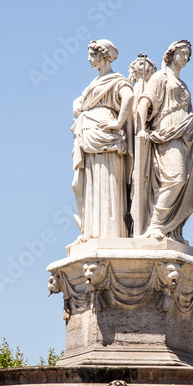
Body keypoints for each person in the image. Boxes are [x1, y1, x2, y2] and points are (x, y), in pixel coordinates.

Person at [133, 40, 193, 243]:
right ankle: (155, 225)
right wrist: (140, 129)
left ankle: (172, 231)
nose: (186, 58)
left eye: (188, 55)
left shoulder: (183, 84)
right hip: (167, 132)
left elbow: (191, 113)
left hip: (187, 138)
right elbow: (145, 101)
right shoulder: (160, 77)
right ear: (171, 54)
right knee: (175, 178)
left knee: (183, 184)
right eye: (183, 53)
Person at [70, 39, 134, 241]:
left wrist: (118, 123)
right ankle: (91, 231)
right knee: (89, 184)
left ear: (105, 55)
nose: (89, 59)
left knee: (109, 181)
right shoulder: (94, 84)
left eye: (93, 55)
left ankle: (111, 233)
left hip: (107, 136)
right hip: (89, 137)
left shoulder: (115, 79)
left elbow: (129, 96)